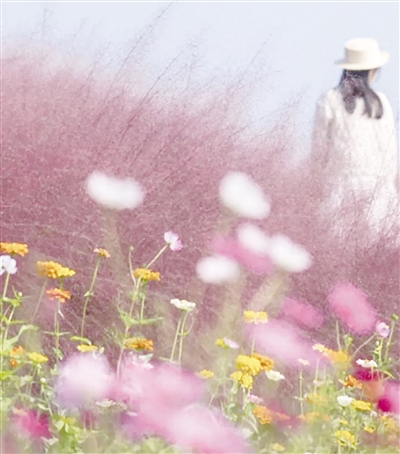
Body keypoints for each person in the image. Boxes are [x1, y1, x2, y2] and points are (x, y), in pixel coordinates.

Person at [311, 37, 398, 243]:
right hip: (379, 191)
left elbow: (318, 151)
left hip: (340, 189)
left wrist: (317, 185)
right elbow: (391, 153)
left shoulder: (330, 99)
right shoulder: (381, 102)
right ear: (372, 72)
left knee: (338, 247)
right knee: (377, 250)